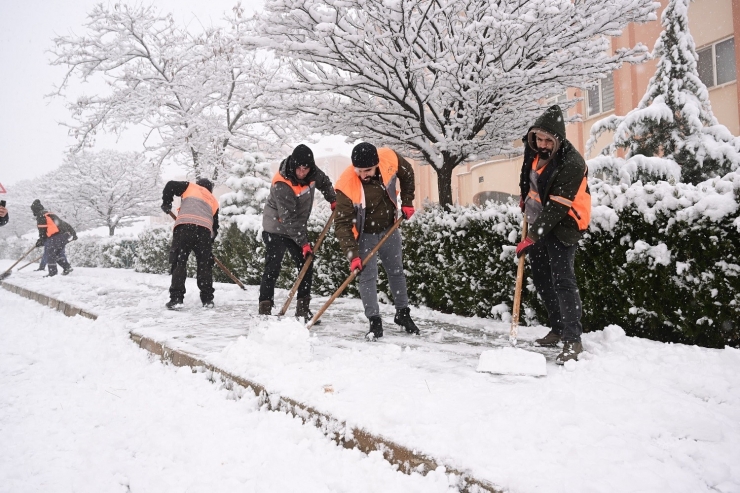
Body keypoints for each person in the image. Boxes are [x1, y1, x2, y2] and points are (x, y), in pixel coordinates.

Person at [515, 105, 591, 364]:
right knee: (542, 279)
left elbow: (558, 206)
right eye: (539, 138)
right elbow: (527, 176)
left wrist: (531, 237)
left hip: (565, 224)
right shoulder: (533, 149)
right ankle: (558, 328)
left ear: (559, 139)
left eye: (549, 140)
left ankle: (573, 339)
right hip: (538, 221)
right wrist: (524, 197)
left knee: (563, 281)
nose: (543, 144)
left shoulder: (572, 163)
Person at [334, 142, 419, 340]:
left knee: (396, 271)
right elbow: (342, 225)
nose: (363, 174)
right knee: (367, 277)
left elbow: (407, 174)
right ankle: (374, 320)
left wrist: (407, 201)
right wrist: (353, 255)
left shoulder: (389, 158)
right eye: (359, 170)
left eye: (368, 170)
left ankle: (402, 314)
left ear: (377, 164)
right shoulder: (346, 186)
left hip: (389, 228)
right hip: (365, 235)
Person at [259, 144, 336, 321]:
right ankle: (264, 309)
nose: (302, 172)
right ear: (293, 165)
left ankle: (302, 310)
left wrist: (332, 199)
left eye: (305, 168)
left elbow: (325, 183)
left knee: (306, 264)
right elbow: (289, 219)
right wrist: (304, 243)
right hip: (276, 227)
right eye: (299, 168)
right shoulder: (282, 183)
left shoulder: (314, 173)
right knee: (273, 266)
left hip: (296, 227)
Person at [161, 178, 220, 309]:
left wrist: (166, 203)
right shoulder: (213, 200)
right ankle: (207, 300)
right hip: (204, 231)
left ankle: (176, 299)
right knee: (204, 265)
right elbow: (215, 228)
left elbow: (170, 184)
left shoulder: (191, 187)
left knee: (179, 262)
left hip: (185, 228)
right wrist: (207, 245)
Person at [31, 199, 77, 277]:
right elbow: (64, 223)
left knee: (50, 254)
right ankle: (67, 267)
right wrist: (73, 233)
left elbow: (42, 229)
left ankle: (52, 273)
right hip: (64, 235)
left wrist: (41, 240)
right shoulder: (49, 214)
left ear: (35, 210)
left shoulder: (40, 215)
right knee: (57, 254)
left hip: (56, 236)